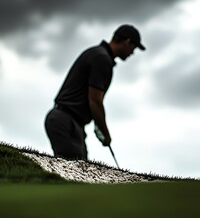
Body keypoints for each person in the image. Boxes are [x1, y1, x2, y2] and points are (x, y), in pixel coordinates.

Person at [45, 24, 145, 160]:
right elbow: (95, 101)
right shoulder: (102, 59)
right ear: (127, 42)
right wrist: (106, 133)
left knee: (81, 171)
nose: (132, 53)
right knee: (74, 173)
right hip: (66, 121)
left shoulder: (98, 54)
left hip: (71, 122)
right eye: (133, 48)